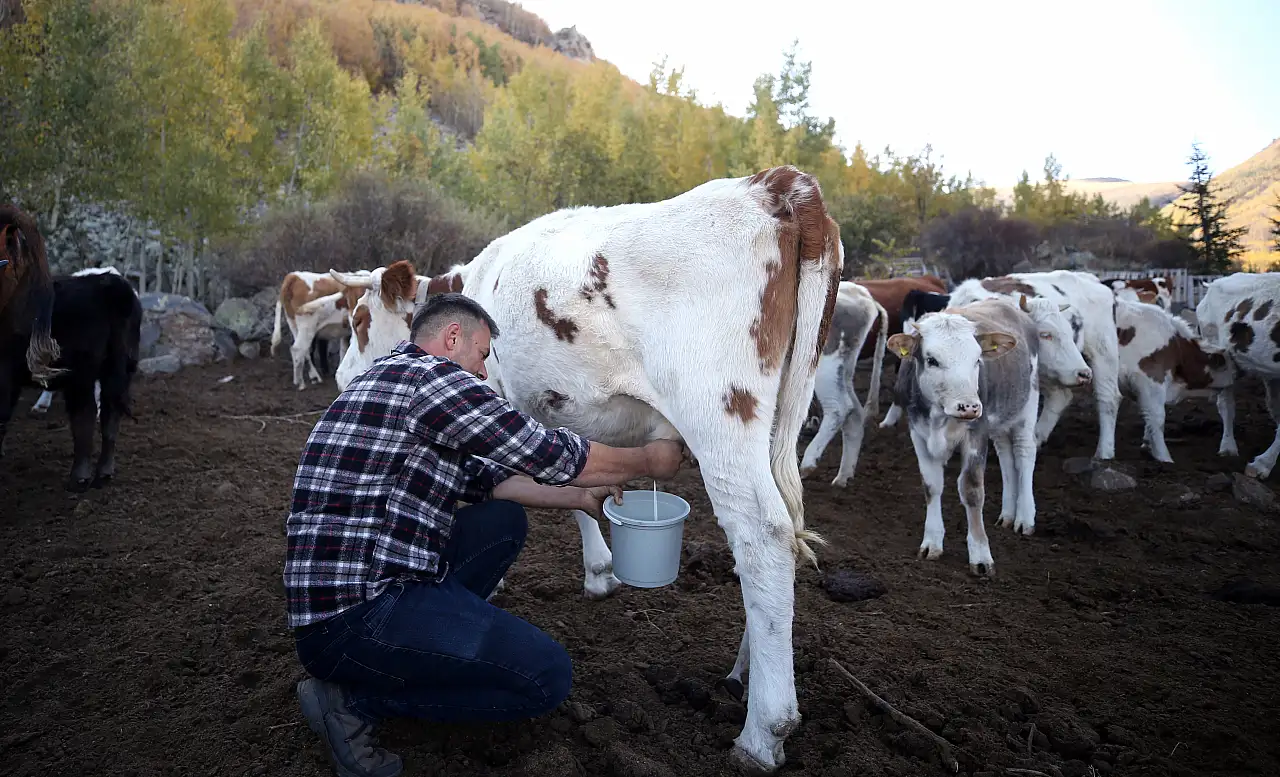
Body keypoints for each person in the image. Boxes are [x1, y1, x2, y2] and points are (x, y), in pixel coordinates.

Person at [284, 292, 687, 777]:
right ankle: (354, 700)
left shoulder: (385, 381)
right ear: (453, 338)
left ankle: (430, 635)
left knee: (502, 521)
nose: (481, 373)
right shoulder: (434, 381)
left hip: (339, 603)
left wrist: (582, 497)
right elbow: (542, 450)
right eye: (480, 356)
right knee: (546, 677)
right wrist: (648, 459)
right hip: (356, 616)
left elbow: (494, 481)